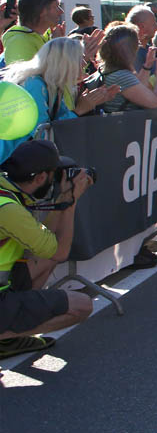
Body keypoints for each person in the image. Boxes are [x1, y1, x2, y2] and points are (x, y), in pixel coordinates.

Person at [0, 141, 94, 356]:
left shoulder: (6, 192)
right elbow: (60, 252)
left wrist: (61, 200)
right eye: (55, 174)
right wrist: (71, 202)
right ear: (41, 178)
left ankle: (8, 339)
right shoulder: (8, 210)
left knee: (45, 260)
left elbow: (46, 248)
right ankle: (6, 334)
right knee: (82, 305)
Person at [0, 39, 120, 163]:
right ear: (65, 63)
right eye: (80, 59)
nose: (84, 64)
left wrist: (89, 104)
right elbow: (41, 135)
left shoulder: (53, 87)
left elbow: (59, 125)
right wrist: (79, 110)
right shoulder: (34, 85)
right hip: (9, 162)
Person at [94, 25, 157, 114]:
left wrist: (148, 65)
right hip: (125, 125)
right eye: (137, 45)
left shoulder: (108, 70)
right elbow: (156, 102)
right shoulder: (121, 76)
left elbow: (140, 87)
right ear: (130, 50)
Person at [1, 0, 65, 66]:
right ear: (42, 10)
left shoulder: (47, 36)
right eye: (56, 6)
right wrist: (57, 45)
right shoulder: (18, 41)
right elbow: (27, 77)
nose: (61, 11)